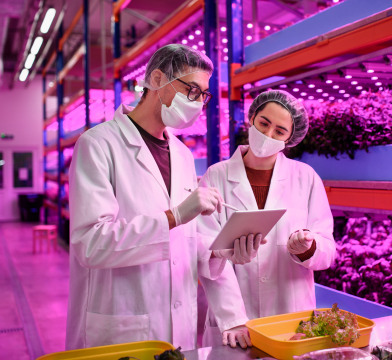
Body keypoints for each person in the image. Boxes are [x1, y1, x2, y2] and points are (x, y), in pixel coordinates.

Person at [66, 44, 262, 351]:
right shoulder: (98, 144)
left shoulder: (182, 154)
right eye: (192, 90)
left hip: (176, 325)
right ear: (157, 79)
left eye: (203, 95)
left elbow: (185, 242)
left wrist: (221, 253)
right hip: (122, 322)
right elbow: (90, 244)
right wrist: (175, 216)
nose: (198, 103)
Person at [198, 90, 337, 347]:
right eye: (263, 123)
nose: (268, 135)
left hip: (291, 319)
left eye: (279, 131)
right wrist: (233, 318)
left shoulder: (305, 178)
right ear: (252, 118)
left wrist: (309, 248)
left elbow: (328, 251)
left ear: (290, 138)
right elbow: (204, 252)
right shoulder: (216, 176)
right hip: (234, 324)